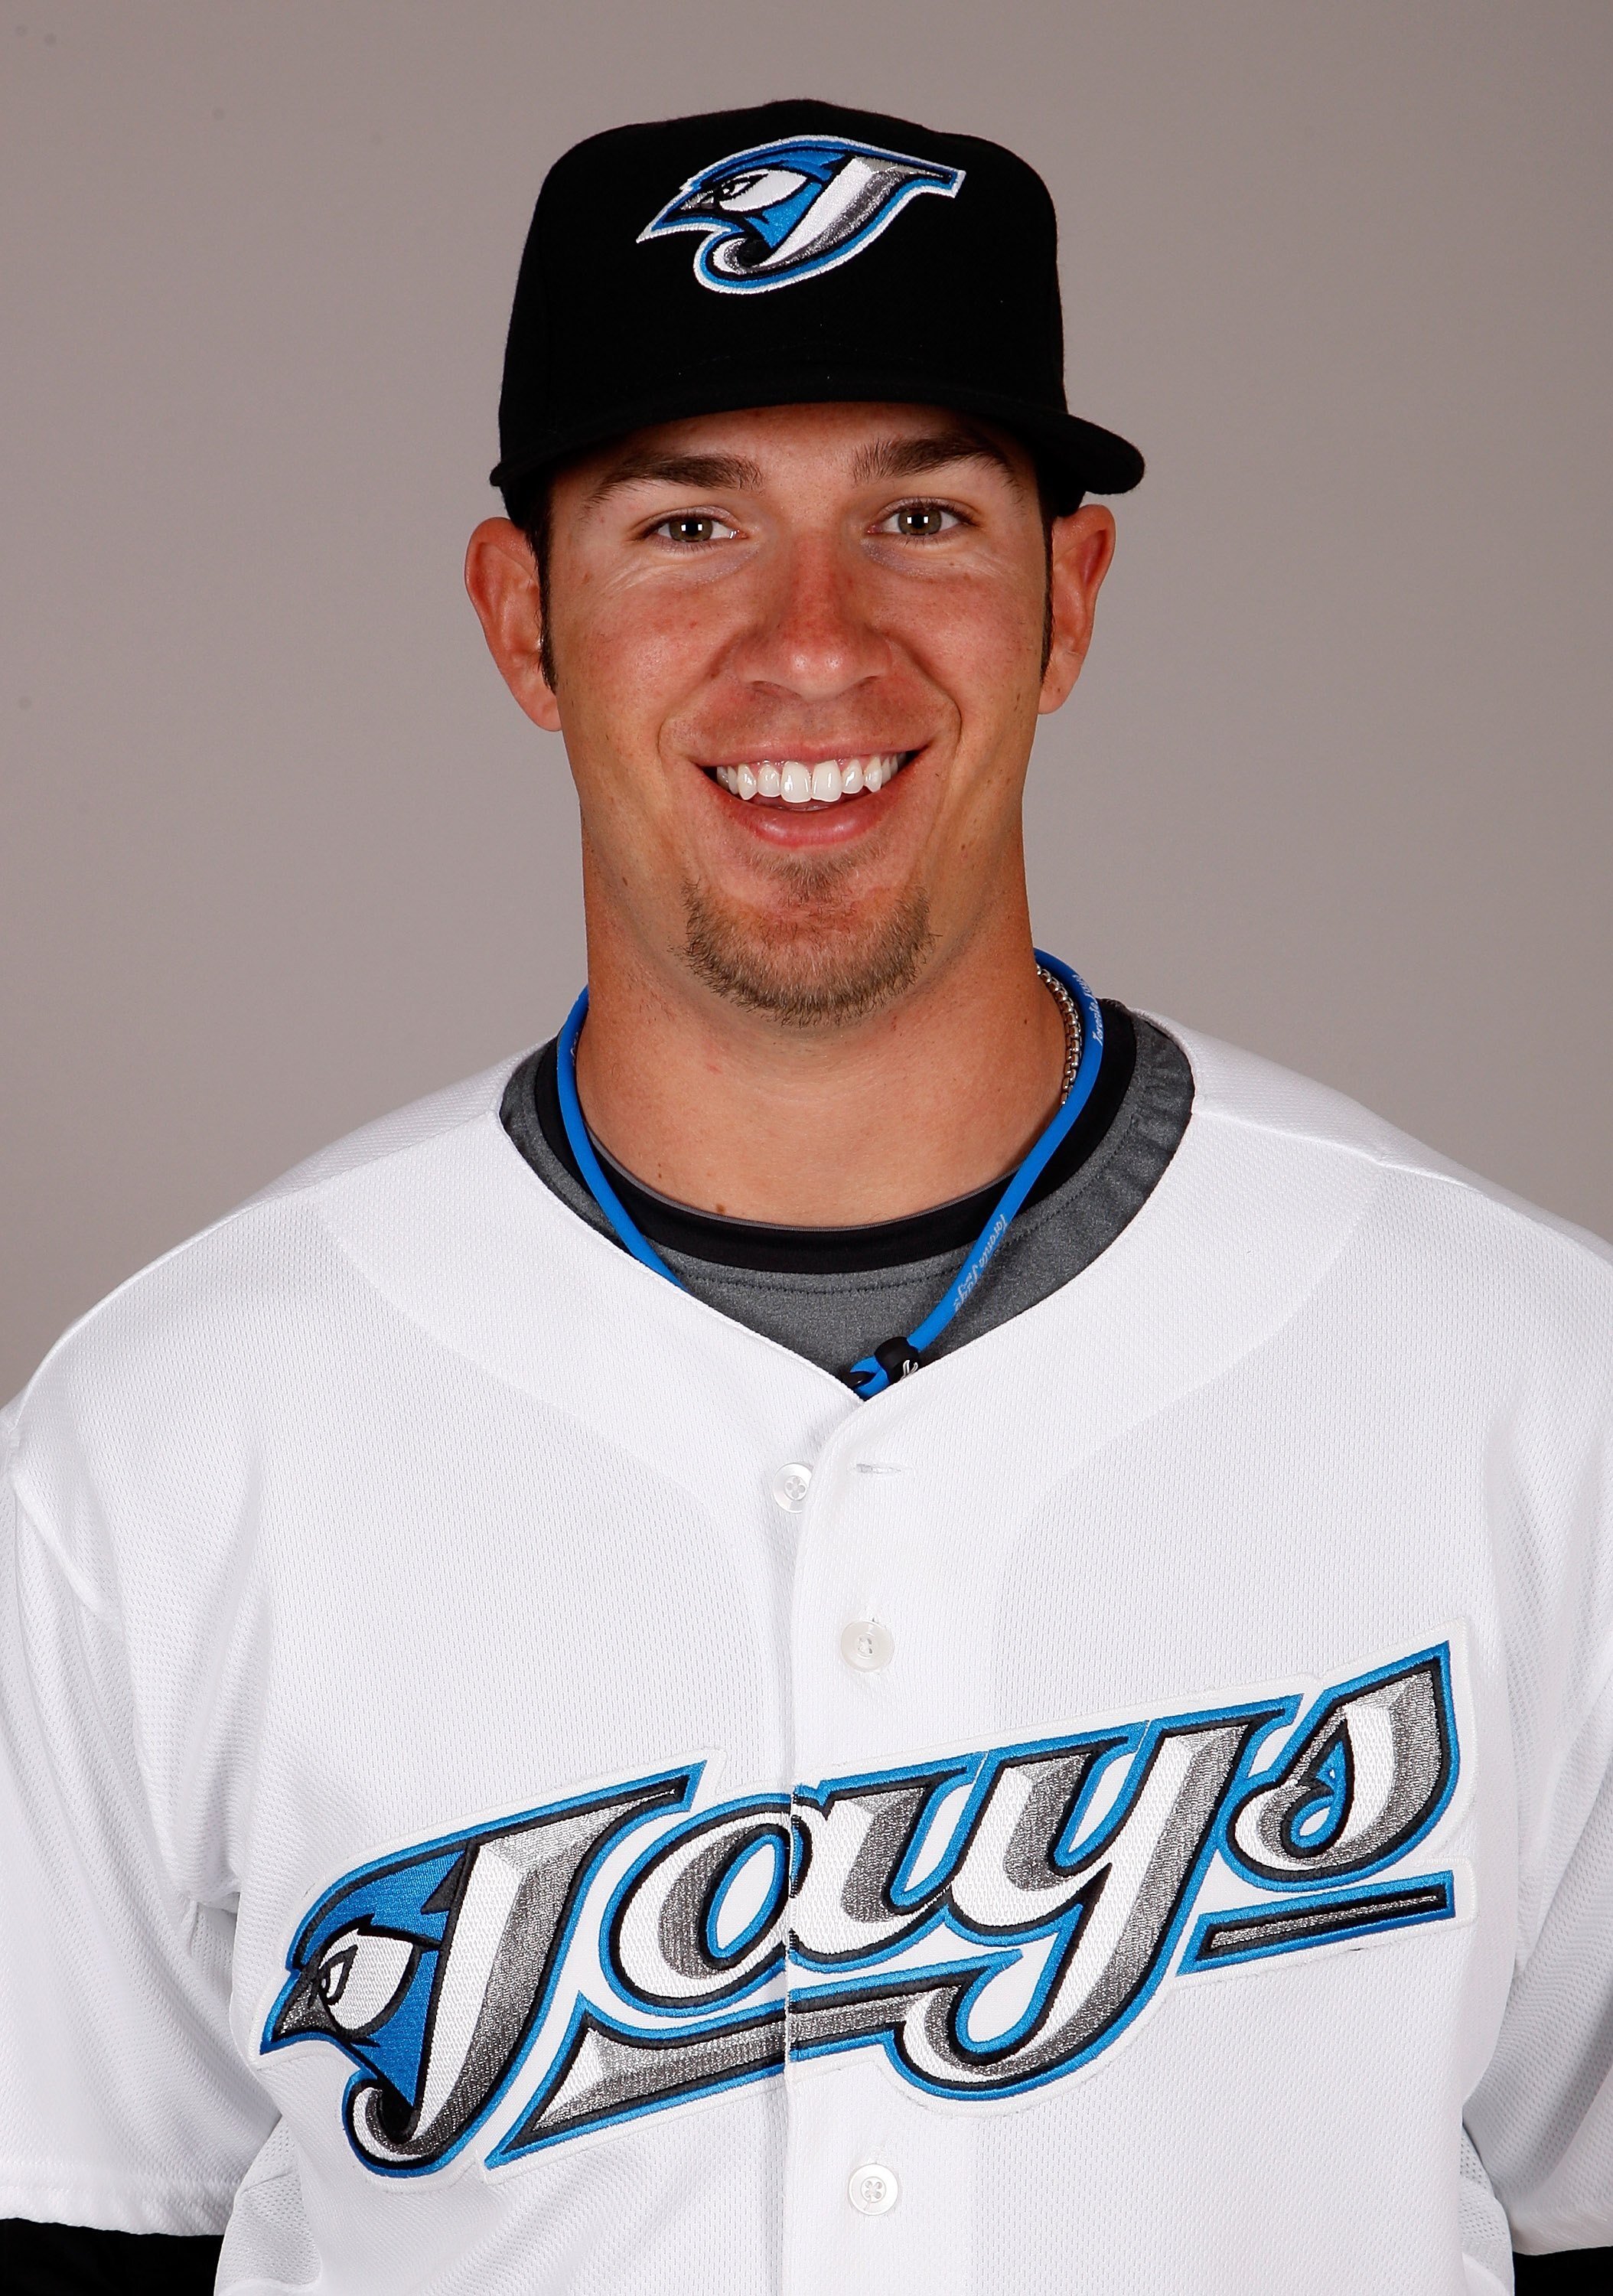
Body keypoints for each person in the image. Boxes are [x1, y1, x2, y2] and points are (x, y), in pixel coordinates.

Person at [2, 98, 1609, 2296]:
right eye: (687, 526)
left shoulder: (1528, 1387)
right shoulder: (168, 1444)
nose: (815, 643)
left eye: (921, 517)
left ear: (1067, 598)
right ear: (522, 618)